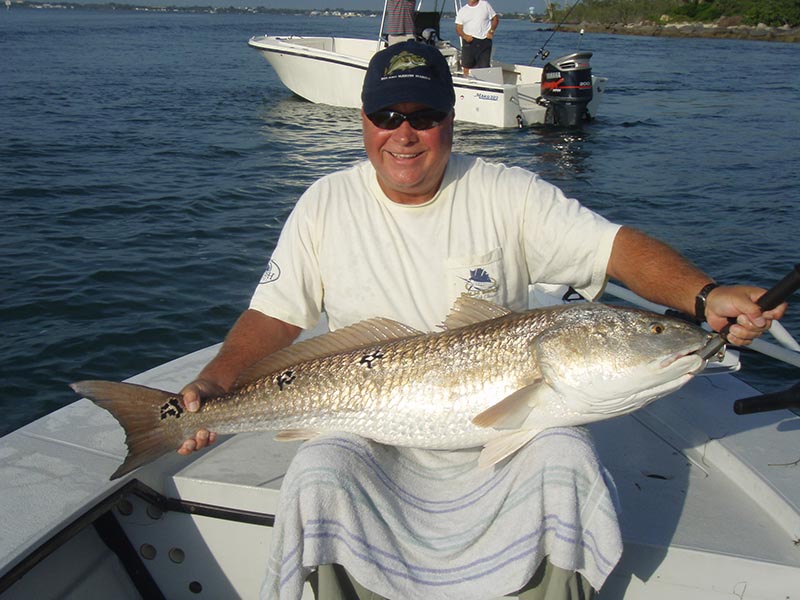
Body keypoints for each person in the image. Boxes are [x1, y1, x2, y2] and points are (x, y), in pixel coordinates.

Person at [178, 41, 786, 599]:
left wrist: (703, 297)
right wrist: (216, 382)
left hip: (505, 435)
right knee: (317, 470)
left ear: (451, 118)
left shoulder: (509, 193)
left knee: (567, 458)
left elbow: (616, 250)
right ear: (363, 120)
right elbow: (274, 317)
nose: (405, 134)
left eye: (425, 116)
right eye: (388, 117)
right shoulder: (324, 204)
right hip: (369, 425)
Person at [455, 0, 499, 75]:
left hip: (484, 40)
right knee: (466, 66)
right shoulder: (462, 11)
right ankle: (467, 83)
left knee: (484, 67)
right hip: (469, 41)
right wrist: (465, 36)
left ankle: (483, 84)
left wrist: (491, 31)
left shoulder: (485, 5)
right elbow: (458, 28)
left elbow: (495, 19)